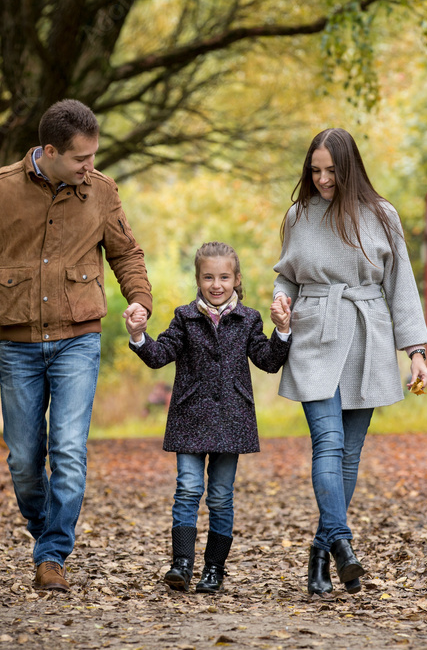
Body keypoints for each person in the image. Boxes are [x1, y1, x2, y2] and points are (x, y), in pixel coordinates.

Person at [0, 99, 152, 592]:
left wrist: (140, 298)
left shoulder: (100, 191)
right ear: (50, 150)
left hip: (78, 340)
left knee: (67, 448)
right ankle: (48, 534)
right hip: (17, 345)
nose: (91, 166)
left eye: (94, 156)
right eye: (82, 158)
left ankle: (52, 554)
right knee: (23, 457)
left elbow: (127, 252)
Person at [272, 128, 427, 596]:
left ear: (349, 167)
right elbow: (286, 277)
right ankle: (342, 541)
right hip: (315, 332)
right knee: (328, 442)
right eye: (315, 170)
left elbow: (401, 286)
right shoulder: (298, 216)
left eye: (331, 170)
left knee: (350, 453)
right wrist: (282, 303)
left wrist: (416, 352)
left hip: (368, 332)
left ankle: (320, 554)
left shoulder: (382, 216)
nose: (322, 179)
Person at [125, 242, 291, 593]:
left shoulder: (248, 319)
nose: (217, 284)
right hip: (190, 417)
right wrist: (138, 335)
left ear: (236, 279)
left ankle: (214, 569)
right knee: (187, 489)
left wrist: (282, 330)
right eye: (209, 277)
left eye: (224, 277)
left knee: (220, 495)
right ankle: (181, 565)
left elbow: (268, 360)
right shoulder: (185, 318)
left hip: (232, 419)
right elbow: (159, 355)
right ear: (198, 279)